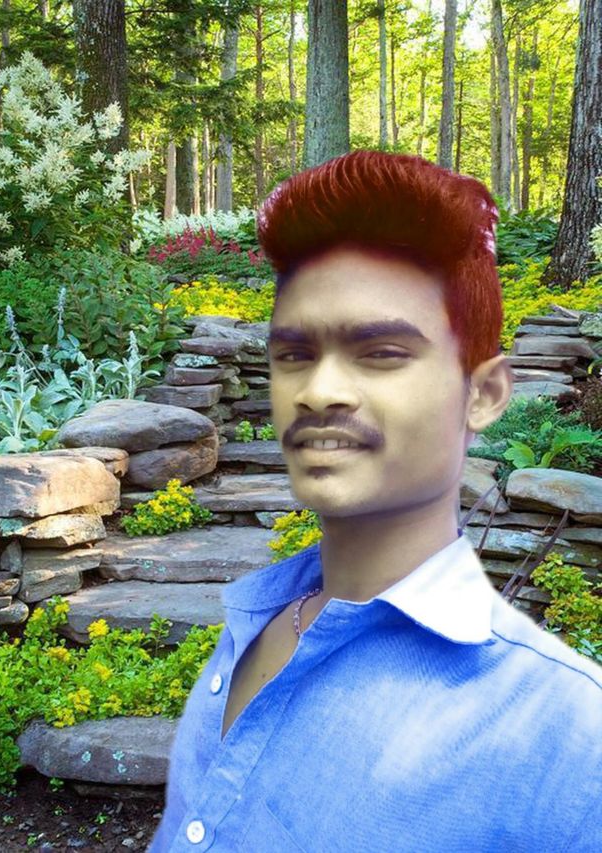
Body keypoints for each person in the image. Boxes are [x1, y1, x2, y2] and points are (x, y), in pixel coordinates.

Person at [147, 152, 601, 853]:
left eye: (382, 352)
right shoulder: (251, 624)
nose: (318, 391)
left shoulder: (569, 738)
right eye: (294, 354)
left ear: (483, 394)